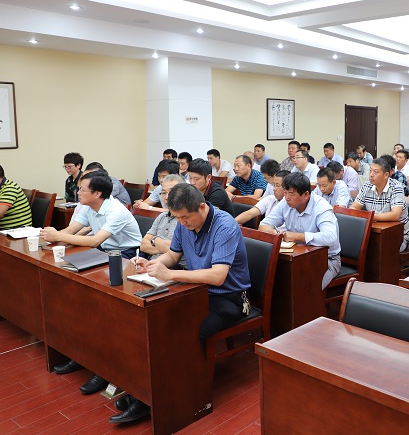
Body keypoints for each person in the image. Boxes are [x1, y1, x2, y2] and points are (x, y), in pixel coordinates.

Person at [123, 183, 252, 424]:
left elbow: (218, 276)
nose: (182, 223)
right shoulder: (184, 223)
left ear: (202, 207)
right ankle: (148, 392)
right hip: (196, 292)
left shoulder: (224, 225)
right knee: (160, 322)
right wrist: (153, 265)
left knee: (186, 331)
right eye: (177, 218)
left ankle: (189, 394)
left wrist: (170, 274)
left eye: (185, 218)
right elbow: (173, 255)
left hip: (230, 297)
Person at [40, 171, 142, 397]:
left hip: (126, 257)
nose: (78, 193)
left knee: (99, 304)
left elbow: (95, 240)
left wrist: (59, 236)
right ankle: (82, 355)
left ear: (97, 193)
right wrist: (49, 236)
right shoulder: (88, 206)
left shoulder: (115, 210)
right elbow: (70, 231)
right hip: (104, 253)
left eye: (82, 189)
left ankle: (103, 366)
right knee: (76, 296)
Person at [259, 172, 341, 289]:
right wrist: (275, 234)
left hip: (327, 259)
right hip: (295, 256)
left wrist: (297, 236)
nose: (286, 197)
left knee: (305, 285)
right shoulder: (285, 203)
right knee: (273, 277)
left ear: (306, 194)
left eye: (291, 194)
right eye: (285, 192)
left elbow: (330, 237)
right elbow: (264, 225)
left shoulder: (322, 207)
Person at [351, 158, 409, 252]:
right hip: (372, 232)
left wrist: (370, 217)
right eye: (370, 171)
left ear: (386, 175)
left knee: (372, 250)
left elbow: (395, 215)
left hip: (396, 236)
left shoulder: (396, 187)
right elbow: (354, 207)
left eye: (375, 172)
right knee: (353, 245)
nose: (371, 175)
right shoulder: (367, 186)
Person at [137, 174, 186, 268]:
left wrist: (155, 241)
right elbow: (143, 245)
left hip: (176, 268)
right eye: (163, 193)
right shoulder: (162, 216)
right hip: (152, 263)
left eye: (171, 192)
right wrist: (161, 244)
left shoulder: (185, 219)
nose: (167, 197)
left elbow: (177, 252)